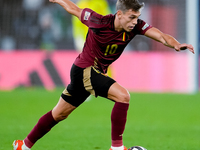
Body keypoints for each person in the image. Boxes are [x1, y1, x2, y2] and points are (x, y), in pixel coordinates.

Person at [13, 0, 194, 150]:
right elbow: (74, 9)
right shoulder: (98, 20)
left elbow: (161, 36)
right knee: (123, 96)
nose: (134, 22)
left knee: (58, 114)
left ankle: (24, 145)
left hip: (89, 72)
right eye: (131, 17)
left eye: (137, 17)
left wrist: (176, 44)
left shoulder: (136, 27)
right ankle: (116, 147)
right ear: (120, 14)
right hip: (85, 69)